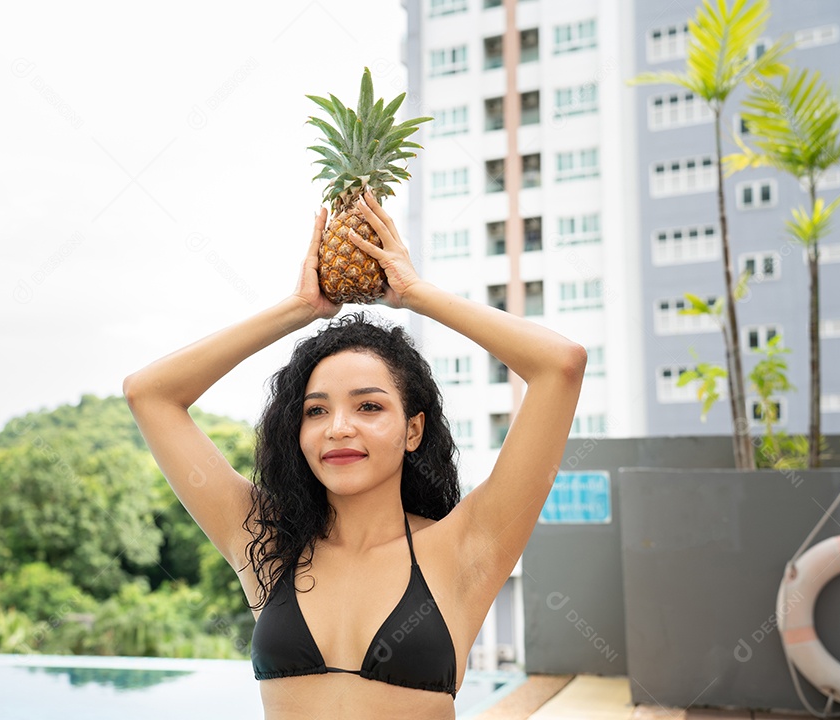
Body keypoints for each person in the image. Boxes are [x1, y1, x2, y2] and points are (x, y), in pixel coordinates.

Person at [123, 190, 586, 719]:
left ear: (413, 430)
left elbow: (560, 365)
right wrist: (297, 310)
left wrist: (415, 294)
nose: (338, 428)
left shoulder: (466, 547)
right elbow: (149, 394)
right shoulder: (267, 543)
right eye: (316, 411)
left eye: (368, 406)